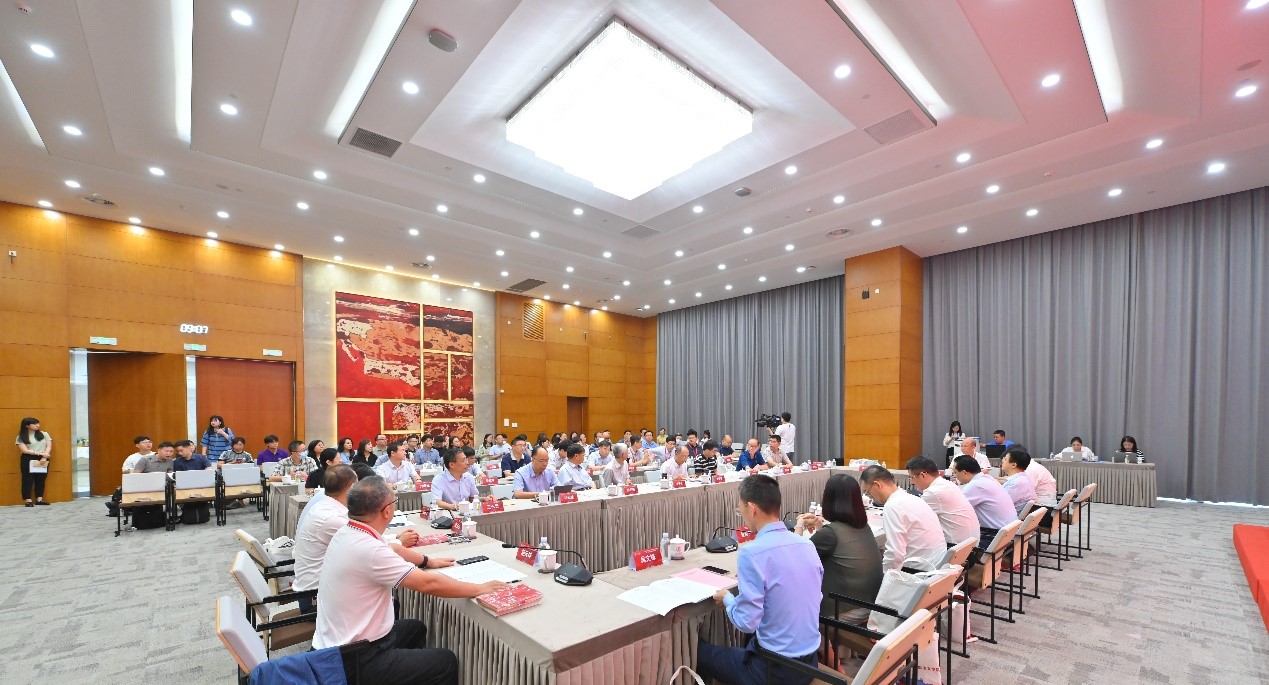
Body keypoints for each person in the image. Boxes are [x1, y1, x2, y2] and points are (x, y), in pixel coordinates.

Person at [314, 476, 506, 684]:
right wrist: (478, 588)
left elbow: (393, 548)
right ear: (387, 511)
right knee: (445, 661)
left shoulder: (350, 531)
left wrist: (428, 561)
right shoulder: (368, 549)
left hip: (338, 643)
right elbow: (428, 584)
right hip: (353, 659)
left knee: (415, 628)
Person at [696, 475, 822, 685]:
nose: (742, 516)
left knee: (700, 651)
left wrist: (728, 599)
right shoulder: (807, 545)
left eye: (741, 509)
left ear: (752, 508)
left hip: (774, 671)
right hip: (810, 663)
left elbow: (746, 622)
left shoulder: (752, 553)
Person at [795, 474, 883, 625]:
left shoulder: (830, 534)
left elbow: (794, 557)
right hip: (871, 604)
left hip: (844, 610)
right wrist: (820, 527)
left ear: (829, 499)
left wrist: (799, 525)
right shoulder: (864, 526)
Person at [292, 465, 364, 613]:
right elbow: (368, 546)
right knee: (386, 602)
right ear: (351, 488)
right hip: (316, 601)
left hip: (319, 590)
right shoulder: (331, 518)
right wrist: (399, 541)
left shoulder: (324, 504)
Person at [859, 465, 946, 572]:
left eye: (868, 492)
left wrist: (883, 577)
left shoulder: (893, 506)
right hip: (938, 565)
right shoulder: (913, 498)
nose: (870, 497)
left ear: (877, 484)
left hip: (920, 572)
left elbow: (895, 554)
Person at [904, 456, 980, 547]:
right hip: (970, 544)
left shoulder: (933, 492)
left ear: (922, 475)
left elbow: (909, 518)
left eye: (911, 477)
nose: (912, 482)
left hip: (955, 547)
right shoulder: (947, 484)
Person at [951, 455, 1018, 548]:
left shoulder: (976, 485)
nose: (955, 476)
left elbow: (954, 510)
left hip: (995, 537)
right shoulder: (987, 478)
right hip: (1008, 533)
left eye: (955, 472)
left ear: (964, 472)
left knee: (951, 538)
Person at [16, 417, 52, 506]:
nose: (37, 425)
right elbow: (24, 450)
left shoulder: (44, 434)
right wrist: (39, 453)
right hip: (28, 458)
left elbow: (49, 446)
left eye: (38, 423)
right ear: (27, 426)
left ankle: (39, 499)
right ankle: (28, 500)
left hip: (43, 458)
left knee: (41, 479)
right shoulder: (20, 437)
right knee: (27, 479)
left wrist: (44, 457)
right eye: (34, 424)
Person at [998, 451, 1037, 515]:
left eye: (1005, 459)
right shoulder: (1022, 478)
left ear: (1013, 465)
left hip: (1005, 518)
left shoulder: (1016, 484)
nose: (1002, 461)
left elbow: (998, 504)